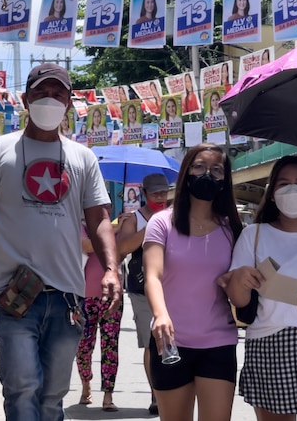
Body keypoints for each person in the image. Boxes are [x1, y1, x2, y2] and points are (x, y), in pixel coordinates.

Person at [0, 63, 122, 420]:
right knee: (22, 388)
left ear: (69, 102)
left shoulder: (83, 157)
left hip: (67, 298)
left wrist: (111, 268)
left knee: (52, 396)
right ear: (26, 98)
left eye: (58, 93)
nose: (50, 100)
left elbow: (99, 219)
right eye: (42, 92)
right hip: (14, 296)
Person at [227, 156, 297, 421]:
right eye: (284, 183)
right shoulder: (253, 235)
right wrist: (239, 280)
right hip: (268, 345)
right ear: (272, 194)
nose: (292, 189)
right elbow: (239, 302)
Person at [143, 143, 243, 421]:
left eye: (216, 170)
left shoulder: (232, 228)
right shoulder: (162, 223)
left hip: (218, 343)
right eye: (199, 167)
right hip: (170, 343)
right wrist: (160, 314)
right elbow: (153, 274)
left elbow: (240, 284)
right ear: (186, 172)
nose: (207, 174)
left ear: (225, 180)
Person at [117, 173, 171, 415]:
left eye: (163, 193)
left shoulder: (177, 215)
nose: (160, 197)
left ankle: (171, 390)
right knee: (152, 342)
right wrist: (151, 227)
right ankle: (156, 394)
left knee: (172, 340)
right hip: (142, 289)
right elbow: (121, 249)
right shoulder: (133, 220)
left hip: (173, 286)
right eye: (155, 193)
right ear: (145, 195)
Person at [76, 217, 124, 412]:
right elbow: (87, 246)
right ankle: (86, 382)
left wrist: (120, 229)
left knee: (110, 346)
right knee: (83, 347)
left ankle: (108, 394)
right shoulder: (79, 227)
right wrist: (113, 231)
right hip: (85, 297)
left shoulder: (116, 228)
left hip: (111, 296)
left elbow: (124, 248)